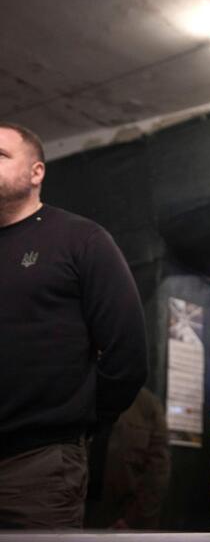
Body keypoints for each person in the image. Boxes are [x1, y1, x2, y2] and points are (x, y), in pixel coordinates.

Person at [0, 122, 148, 529]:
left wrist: (78, 420)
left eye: (1, 156)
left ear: (36, 172)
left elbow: (128, 356)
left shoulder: (81, 240)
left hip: (37, 466)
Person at [85, 387, 170, 530]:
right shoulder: (83, 391)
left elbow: (158, 471)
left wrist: (133, 520)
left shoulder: (147, 405)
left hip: (122, 519)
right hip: (74, 514)